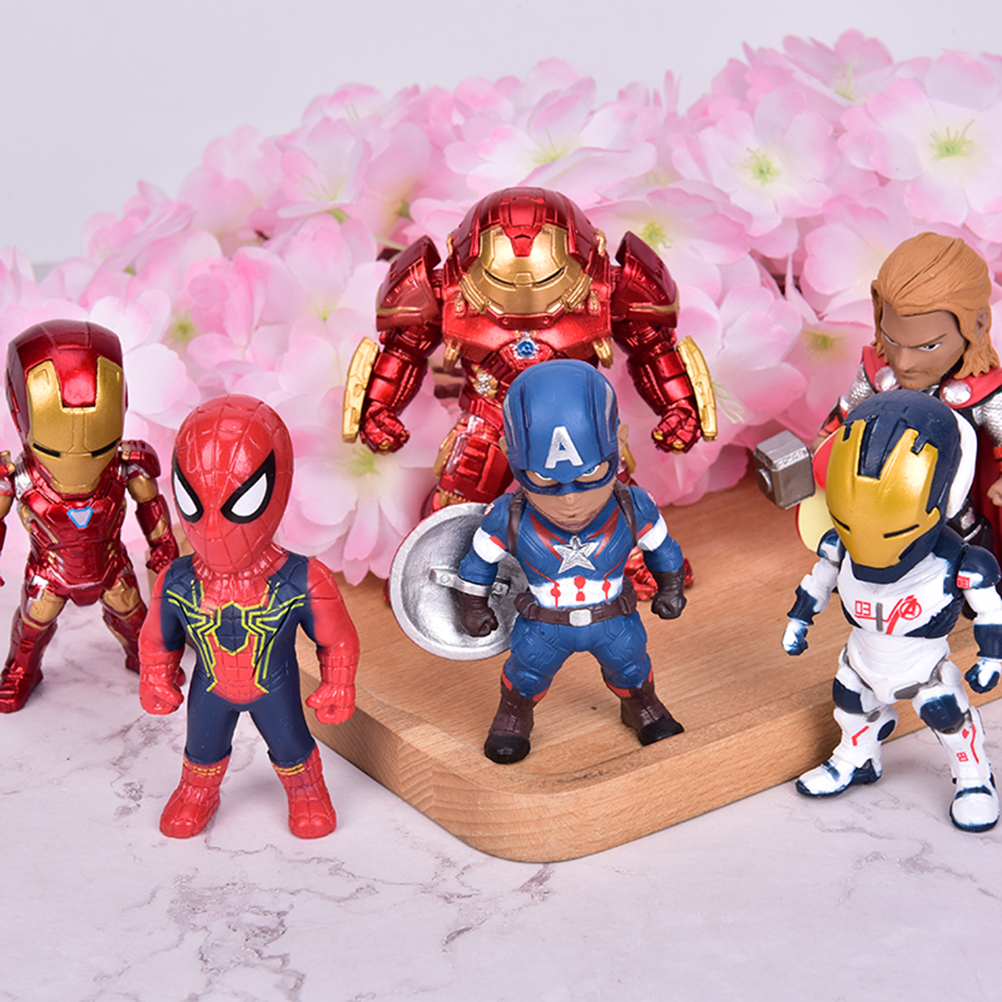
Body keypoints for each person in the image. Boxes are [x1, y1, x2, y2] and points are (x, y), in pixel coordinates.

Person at [139, 395, 359, 838]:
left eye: (238, 504)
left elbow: (336, 637)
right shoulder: (177, 580)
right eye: (195, 503)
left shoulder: (301, 578)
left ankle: (307, 790)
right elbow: (158, 638)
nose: (213, 530)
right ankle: (197, 791)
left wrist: (339, 680)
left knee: (291, 744)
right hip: (211, 688)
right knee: (201, 747)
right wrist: (155, 674)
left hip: (272, 688)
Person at [787, 391, 1002, 832]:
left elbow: (991, 612)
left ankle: (974, 778)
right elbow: (817, 582)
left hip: (922, 664)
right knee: (850, 706)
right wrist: (799, 619)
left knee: (947, 715)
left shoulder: (959, 562)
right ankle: (856, 758)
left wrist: (991, 658)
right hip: (862, 656)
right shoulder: (840, 547)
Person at [454, 359, 687, 764]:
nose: (570, 500)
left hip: (614, 620)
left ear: (619, 442)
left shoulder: (633, 507)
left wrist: (671, 587)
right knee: (526, 678)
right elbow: (477, 564)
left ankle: (643, 708)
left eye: (591, 473)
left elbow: (663, 549)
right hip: (544, 626)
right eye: (545, 480)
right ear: (511, 456)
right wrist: (473, 607)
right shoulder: (508, 516)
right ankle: (513, 717)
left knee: (632, 670)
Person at [0, 320, 178, 712]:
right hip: (49, 572)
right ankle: (22, 670)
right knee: (32, 628)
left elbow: (150, 503)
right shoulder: (18, 477)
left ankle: (146, 660)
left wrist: (164, 548)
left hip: (110, 565)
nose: (79, 446)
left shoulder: (125, 464)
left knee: (134, 618)